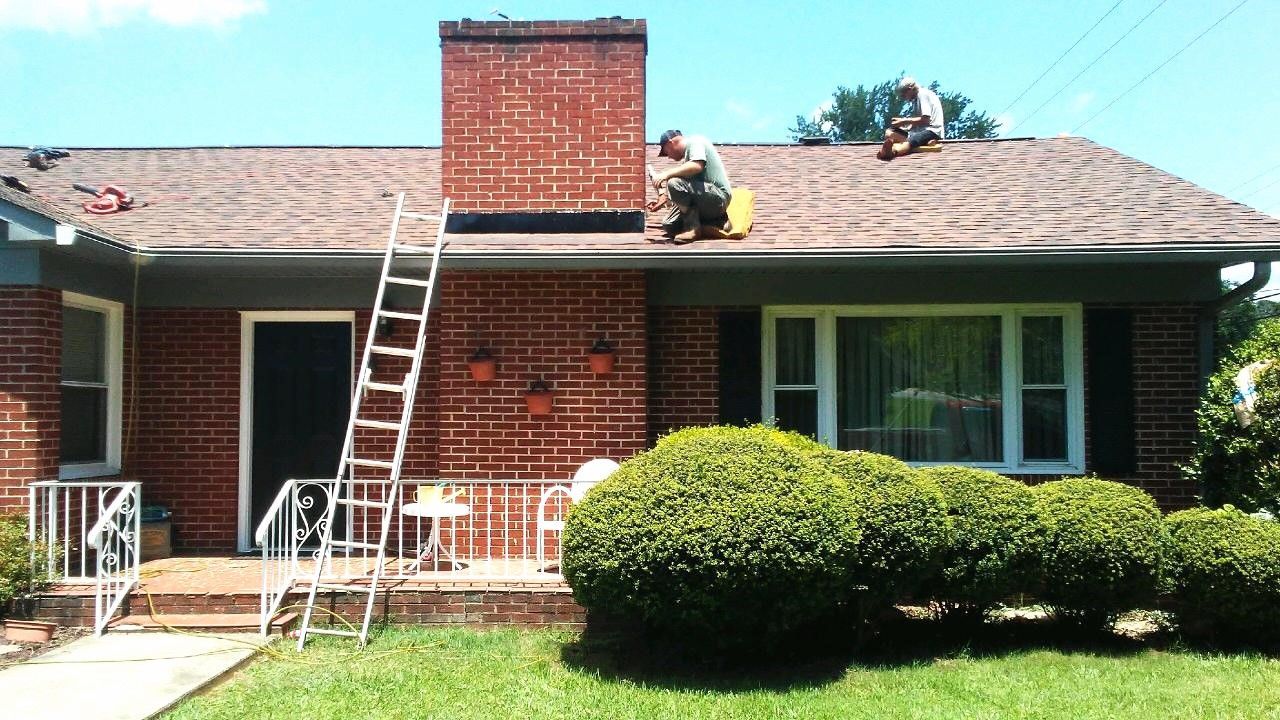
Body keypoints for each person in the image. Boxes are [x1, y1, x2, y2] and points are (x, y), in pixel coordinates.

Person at [648, 130, 732, 243]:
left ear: (670, 143)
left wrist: (666, 174)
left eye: (666, 152)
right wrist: (664, 200)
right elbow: (687, 195)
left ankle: (694, 228)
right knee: (669, 225)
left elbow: (697, 166)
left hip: (718, 198)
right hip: (705, 198)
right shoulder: (687, 159)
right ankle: (715, 223)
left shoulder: (695, 142)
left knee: (673, 182)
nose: (668, 157)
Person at [878, 77, 945, 161]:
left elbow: (925, 119)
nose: (903, 97)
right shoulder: (915, 100)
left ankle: (893, 152)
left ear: (910, 89)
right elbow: (918, 122)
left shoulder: (922, 94)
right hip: (921, 130)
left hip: (932, 130)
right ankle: (926, 142)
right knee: (889, 132)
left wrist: (903, 121)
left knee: (912, 140)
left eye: (904, 94)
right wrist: (905, 128)